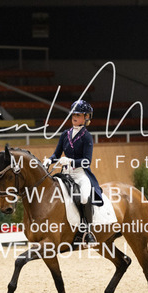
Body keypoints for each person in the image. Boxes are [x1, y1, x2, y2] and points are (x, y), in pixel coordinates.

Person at [43, 100, 103, 245]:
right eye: (73, 114)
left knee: (84, 197)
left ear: (86, 117)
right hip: (65, 174)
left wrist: (70, 161)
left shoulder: (87, 136)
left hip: (80, 175)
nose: (74, 117)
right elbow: (57, 154)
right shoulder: (65, 134)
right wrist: (49, 160)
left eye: (78, 115)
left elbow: (87, 161)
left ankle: (88, 231)